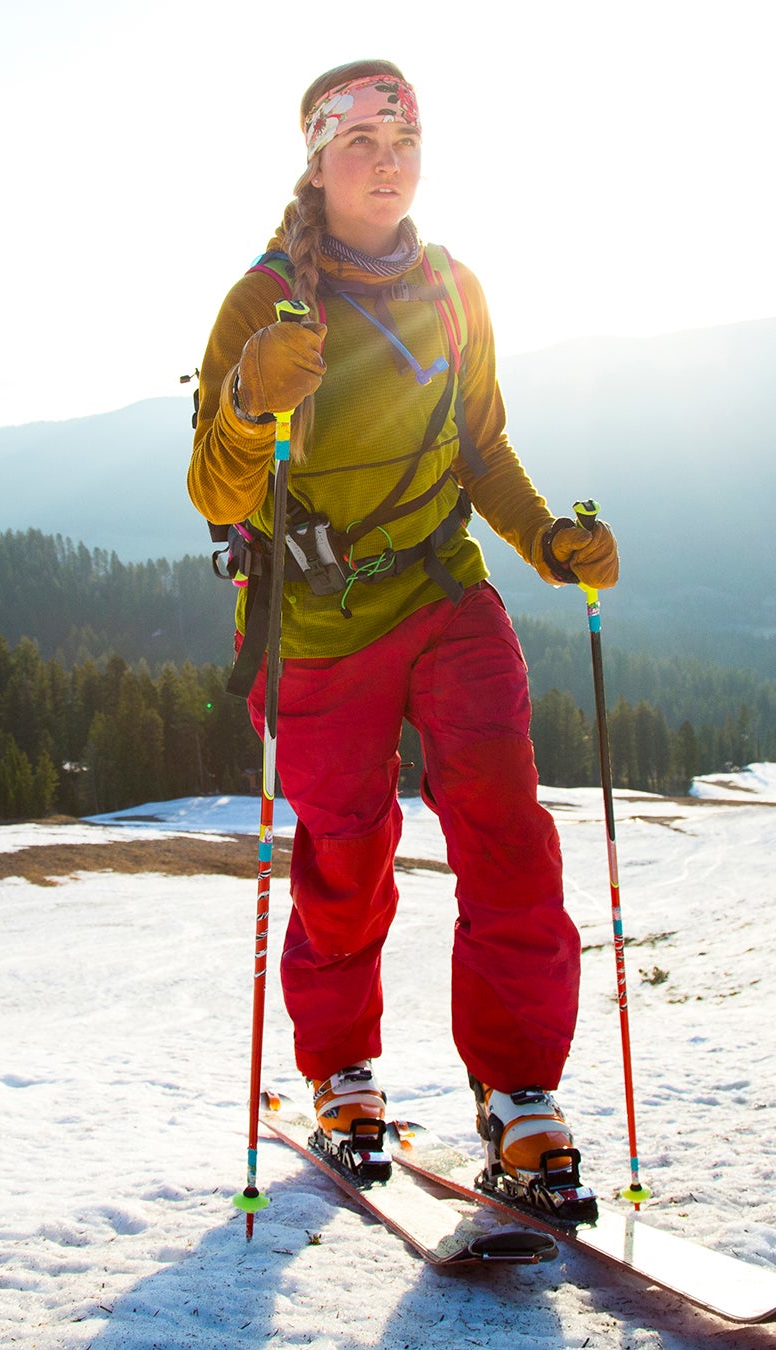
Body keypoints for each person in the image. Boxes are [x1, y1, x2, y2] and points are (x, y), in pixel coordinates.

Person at [187, 59, 620, 1203]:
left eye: (404, 142)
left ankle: (519, 1096)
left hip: (442, 594)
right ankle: (342, 1075)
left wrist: (548, 542)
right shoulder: (264, 304)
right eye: (361, 144)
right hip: (318, 627)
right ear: (317, 163)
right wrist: (248, 399)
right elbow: (215, 492)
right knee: (348, 855)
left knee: (508, 830)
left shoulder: (455, 289)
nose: (387, 164)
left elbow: (482, 449)